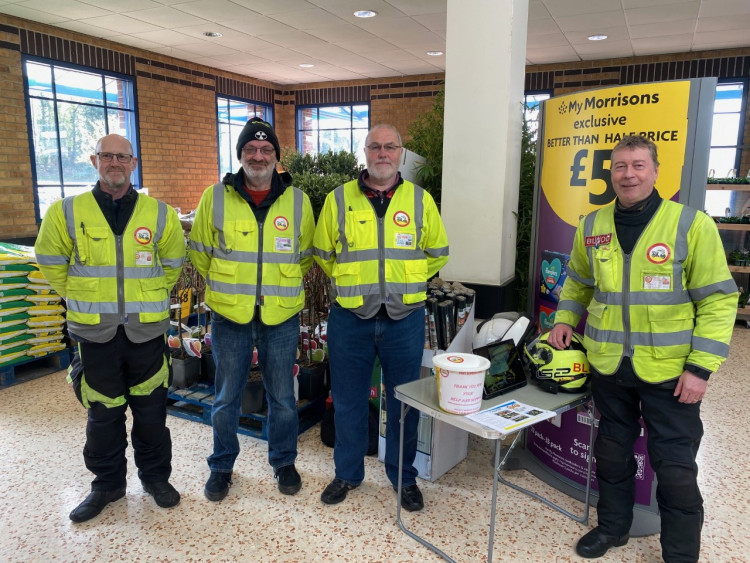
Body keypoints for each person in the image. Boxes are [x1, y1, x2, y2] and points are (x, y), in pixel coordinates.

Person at [547, 135, 737, 561]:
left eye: (637, 165)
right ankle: (613, 528)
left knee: (675, 469)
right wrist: (563, 317)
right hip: (610, 365)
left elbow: (718, 299)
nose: (628, 174)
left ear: (654, 171)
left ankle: (681, 554)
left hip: (671, 372)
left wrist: (701, 368)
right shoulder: (592, 226)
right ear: (610, 173)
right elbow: (577, 279)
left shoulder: (691, 224)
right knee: (612, 452)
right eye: (620, 166)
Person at [35, 134, 186, 523]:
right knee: (103, 413)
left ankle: (155, 478)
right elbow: (50, 261)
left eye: (122, 156)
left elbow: (172, 264)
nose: (115, 163)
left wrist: (144, 296)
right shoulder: (66, 211)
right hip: (95, 333)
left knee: (151, 412)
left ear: (133, 163)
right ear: (94, 160)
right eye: (107, 156)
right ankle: (107, 484)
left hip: (146, 332)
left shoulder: (159, 213)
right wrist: (82, 294)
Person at [313, 124, 449, 511]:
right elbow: (324, 254)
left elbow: (437, 252)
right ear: (365, 152)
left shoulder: (420, 200)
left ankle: (403, 479)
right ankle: (347, 473)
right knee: (348, 400)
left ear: (401, 154)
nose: (383, 153)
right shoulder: (339, 200)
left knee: (404, 401)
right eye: (375, 146)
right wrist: (351, 282)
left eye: (391, 147)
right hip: (350, 317)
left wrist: (406, 283)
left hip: (403, 318)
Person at [189, 117, 315, 501]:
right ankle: (222, 466)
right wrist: (233, 291)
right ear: (240, 154)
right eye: (250, 149)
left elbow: (305, 256)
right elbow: (200, 252)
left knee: (282, 396)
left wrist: (274, 288)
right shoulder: (215, 197)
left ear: (276, 157)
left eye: (266, 150)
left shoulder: (297, 200)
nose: (258, 156)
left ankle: (283, 462)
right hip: (230, 316)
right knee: (226, 396)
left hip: (280, 315)